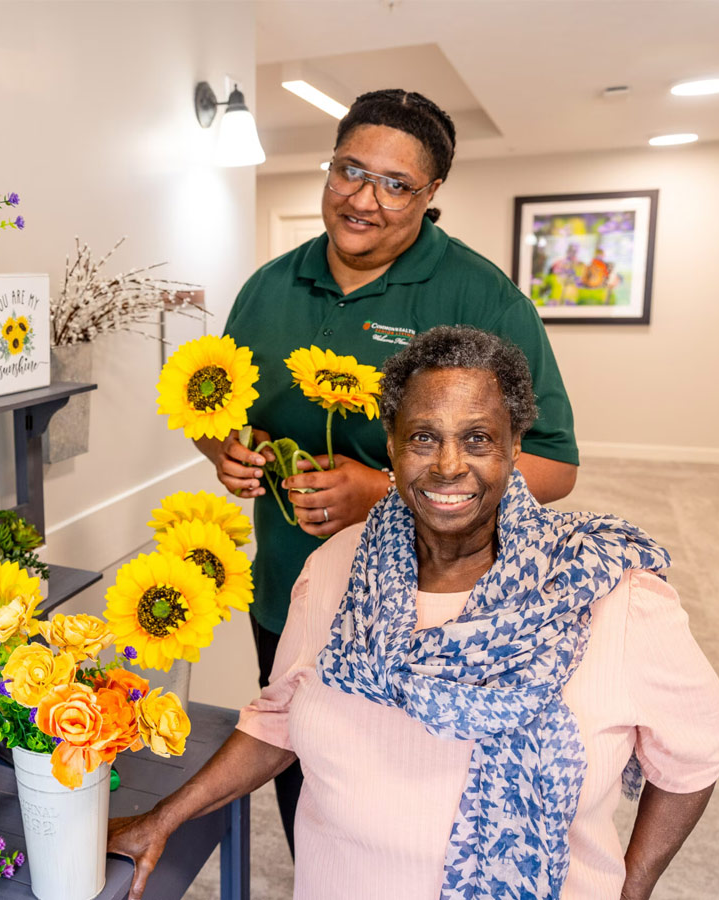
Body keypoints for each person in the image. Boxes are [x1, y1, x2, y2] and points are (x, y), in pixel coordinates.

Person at [112, 326, 719, 900]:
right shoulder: (333, 570)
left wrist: (634, 887)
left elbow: (694, 754)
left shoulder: (605, 593)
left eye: (479, 438)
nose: (448, 465)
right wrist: (165, 816)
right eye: (424, 437)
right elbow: (281, 716)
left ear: (516, 445)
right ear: (392, 445)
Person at [196, 89, 580, 852]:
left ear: (432, 193)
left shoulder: (481, 297)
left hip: (425, 609)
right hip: (290, 587)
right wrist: (223, 450)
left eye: (395, 184)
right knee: (302, 771)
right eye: (349, 170)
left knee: (406, 803)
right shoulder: (269, 287)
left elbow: (553, 467)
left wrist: (378, 490)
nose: (362, 200)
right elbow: (224, 410)